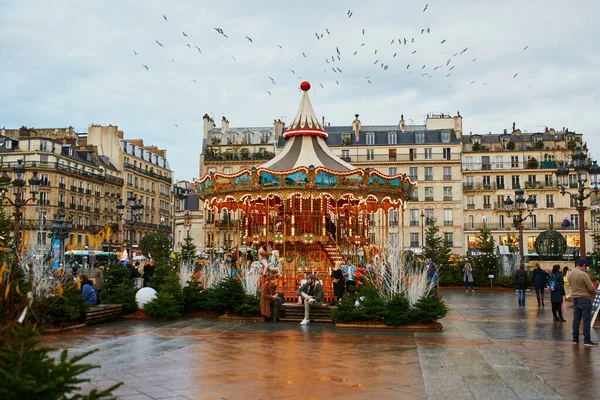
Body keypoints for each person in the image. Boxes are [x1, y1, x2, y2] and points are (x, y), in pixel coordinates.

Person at [570, 258, 597, 346]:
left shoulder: (571, 273)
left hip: (575, 298)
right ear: (584, 265)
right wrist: (594, 291)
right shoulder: (583, 274)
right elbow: (591, 288)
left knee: (576, 319)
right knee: (586, 319)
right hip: (585, 298)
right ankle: (587, 340)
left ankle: (575, 338)